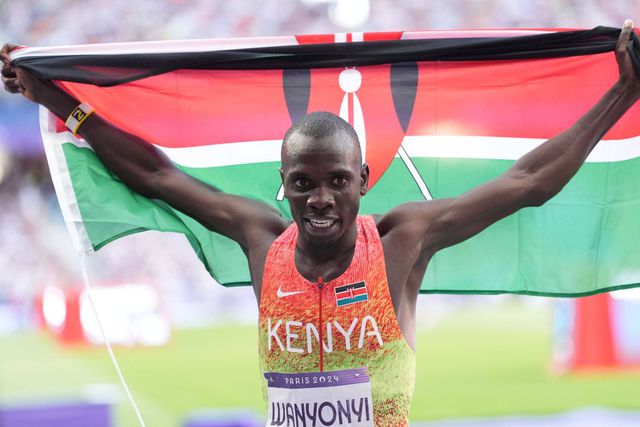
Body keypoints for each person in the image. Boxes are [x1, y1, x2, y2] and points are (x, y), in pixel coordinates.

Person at [2, 20, 639, 427]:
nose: (321, 200)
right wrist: (56, 98)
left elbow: (528, 182)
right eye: (303, 183)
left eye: (338, 180)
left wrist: (624, 93)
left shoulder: (402, 241)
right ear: (283, 185)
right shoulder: (260, 239)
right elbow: (155, 175)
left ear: (363, 179)